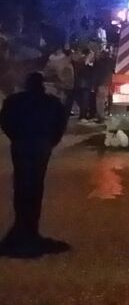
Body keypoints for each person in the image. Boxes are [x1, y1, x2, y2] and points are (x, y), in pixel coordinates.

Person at [0, 72, 67, 247]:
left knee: (21, 184)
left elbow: (5, 122)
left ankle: (22, 226)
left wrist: (16, 138)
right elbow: (60, 125)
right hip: (40, 148)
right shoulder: (52, 103)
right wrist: (50, 142)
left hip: (21, 147)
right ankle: (30, 229)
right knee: (36, 186)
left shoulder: (13, 101)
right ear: (42, 85)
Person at [92, 48, 114, 123]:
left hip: (101, 84)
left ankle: (101, 117)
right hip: (110, 83)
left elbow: (95, 74)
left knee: (100, 101)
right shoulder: (111, 61)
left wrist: (94, 85)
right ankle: (110, 113)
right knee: (110, 99)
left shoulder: (98, 63)